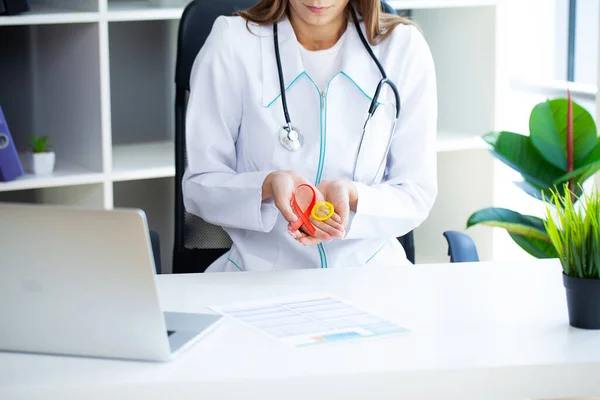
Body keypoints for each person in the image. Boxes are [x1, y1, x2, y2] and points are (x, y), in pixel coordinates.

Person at [182, 0, 438, 272]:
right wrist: (266, 185)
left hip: (370, 275)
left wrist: (353, 196)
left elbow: (415, 194)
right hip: (256, 276)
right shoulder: (233, 42)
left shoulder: (403, 48)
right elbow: (200, 185)